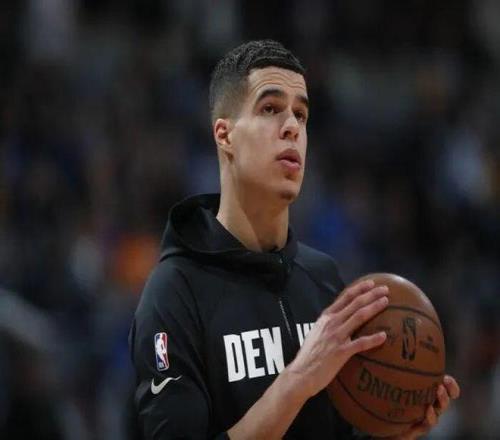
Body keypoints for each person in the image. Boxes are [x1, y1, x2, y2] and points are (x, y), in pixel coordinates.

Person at [129, 39, 460, 439]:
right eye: (270, 109)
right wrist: (298, 380)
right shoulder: (173, 292)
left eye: (301, 115)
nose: (292, 127)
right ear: (225, 135)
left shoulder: (324, 279)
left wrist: (392, 432)